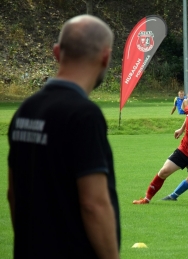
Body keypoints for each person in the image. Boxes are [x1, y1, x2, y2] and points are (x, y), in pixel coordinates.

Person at [7, 15, 120, 259]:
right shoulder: (84, 115)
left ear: (57, 52)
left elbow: (12, 193)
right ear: (105, 57)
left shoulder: (25, 110)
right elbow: (93, 204)